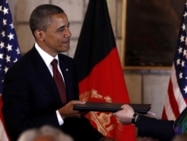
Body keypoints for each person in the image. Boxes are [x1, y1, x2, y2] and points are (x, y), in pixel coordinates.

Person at [2, 4, 112, 141]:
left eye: (68, 26)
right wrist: (60, 115)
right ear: (40, 34)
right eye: (61, 30)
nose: (68, 34)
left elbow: (75, 121)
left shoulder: (69, 65)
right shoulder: (19, 73)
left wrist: (100, 139)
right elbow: (18, 129)